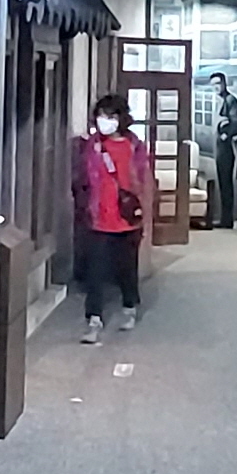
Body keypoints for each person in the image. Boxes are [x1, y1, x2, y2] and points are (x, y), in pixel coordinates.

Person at [74, 92, 152, 344]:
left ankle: (129, 307)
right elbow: (81, 178)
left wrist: (145, 214)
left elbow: (144, 181)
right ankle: (93, 318)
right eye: (100, 116)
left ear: (121, 118)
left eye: (109, 116)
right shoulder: (93, 146)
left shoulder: (134, 146)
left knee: (126, 268)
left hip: (127, 219)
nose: (104, 121)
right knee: (95, 271)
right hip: (98, 218)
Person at [208, 72, 237, 230]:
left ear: (224, 84)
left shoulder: (230, 100)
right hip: (220, 147)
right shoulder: (220, 100)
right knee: (223, 182)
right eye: (213, 85)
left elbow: (236, 123)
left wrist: (226, 134)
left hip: (227, 148)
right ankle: (225, 218)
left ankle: (227, 219)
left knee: (226, 183)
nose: (216, 87)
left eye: (218, 83)